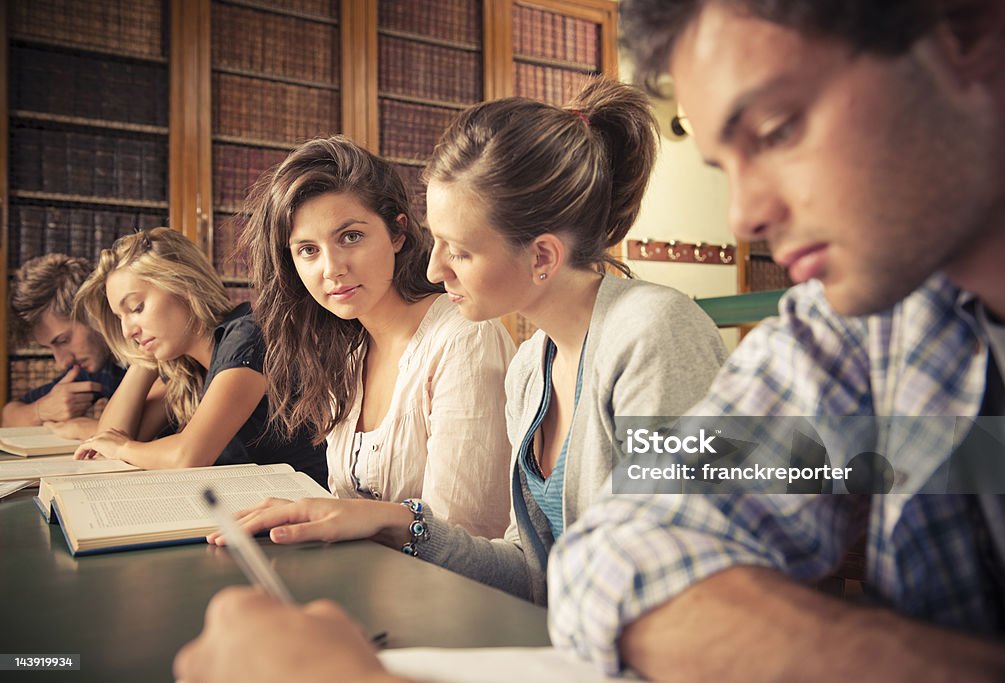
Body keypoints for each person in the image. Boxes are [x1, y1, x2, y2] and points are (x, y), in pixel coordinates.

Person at [542, 0, 1005, 680]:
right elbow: (614, 547)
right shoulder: (862, 328)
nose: (746, 217)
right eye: (723, 167)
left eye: (777, 130)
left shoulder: (655, 323)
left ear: (965, 26)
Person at [183, 77, 726, 679]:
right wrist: (393, 520)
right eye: (436, 243)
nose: (435, 268)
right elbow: (529, 573)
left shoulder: (653, 332)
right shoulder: (531, 369)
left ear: (542, 257)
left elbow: (691, 594)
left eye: (459, 250)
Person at [237, 135, 515, 538]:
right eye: (308, 250)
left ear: (397, 233)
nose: (332, 269)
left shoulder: (464, 340)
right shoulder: (349, 353)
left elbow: (466, 534)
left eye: (350, 237)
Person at [72, 227, 327, 486]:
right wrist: (145, 359)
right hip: (249, 508)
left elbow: (188, 455)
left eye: (136, 308)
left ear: (184, 286)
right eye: (120, 318)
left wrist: (123, 448)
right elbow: (109, 441)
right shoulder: (186, 366)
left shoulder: (248, 335)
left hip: (302, 512)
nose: (127, 331)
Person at [3, 254, 124, 438]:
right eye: (49, 348)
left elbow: (141, 434)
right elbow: (8, 417)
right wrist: (41, 411)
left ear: (93, 309)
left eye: (62, 341)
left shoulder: (151, 354)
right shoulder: (96, 369)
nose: (61, 362)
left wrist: (85, 429)